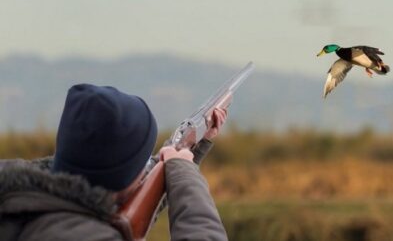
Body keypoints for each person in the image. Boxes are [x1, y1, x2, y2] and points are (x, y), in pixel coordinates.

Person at [0, 84, 228, 241]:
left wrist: (192, 147)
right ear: (124, 177)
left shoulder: (25, 207)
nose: (147, 171)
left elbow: (131, 208)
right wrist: (184, 174)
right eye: (144, 165)